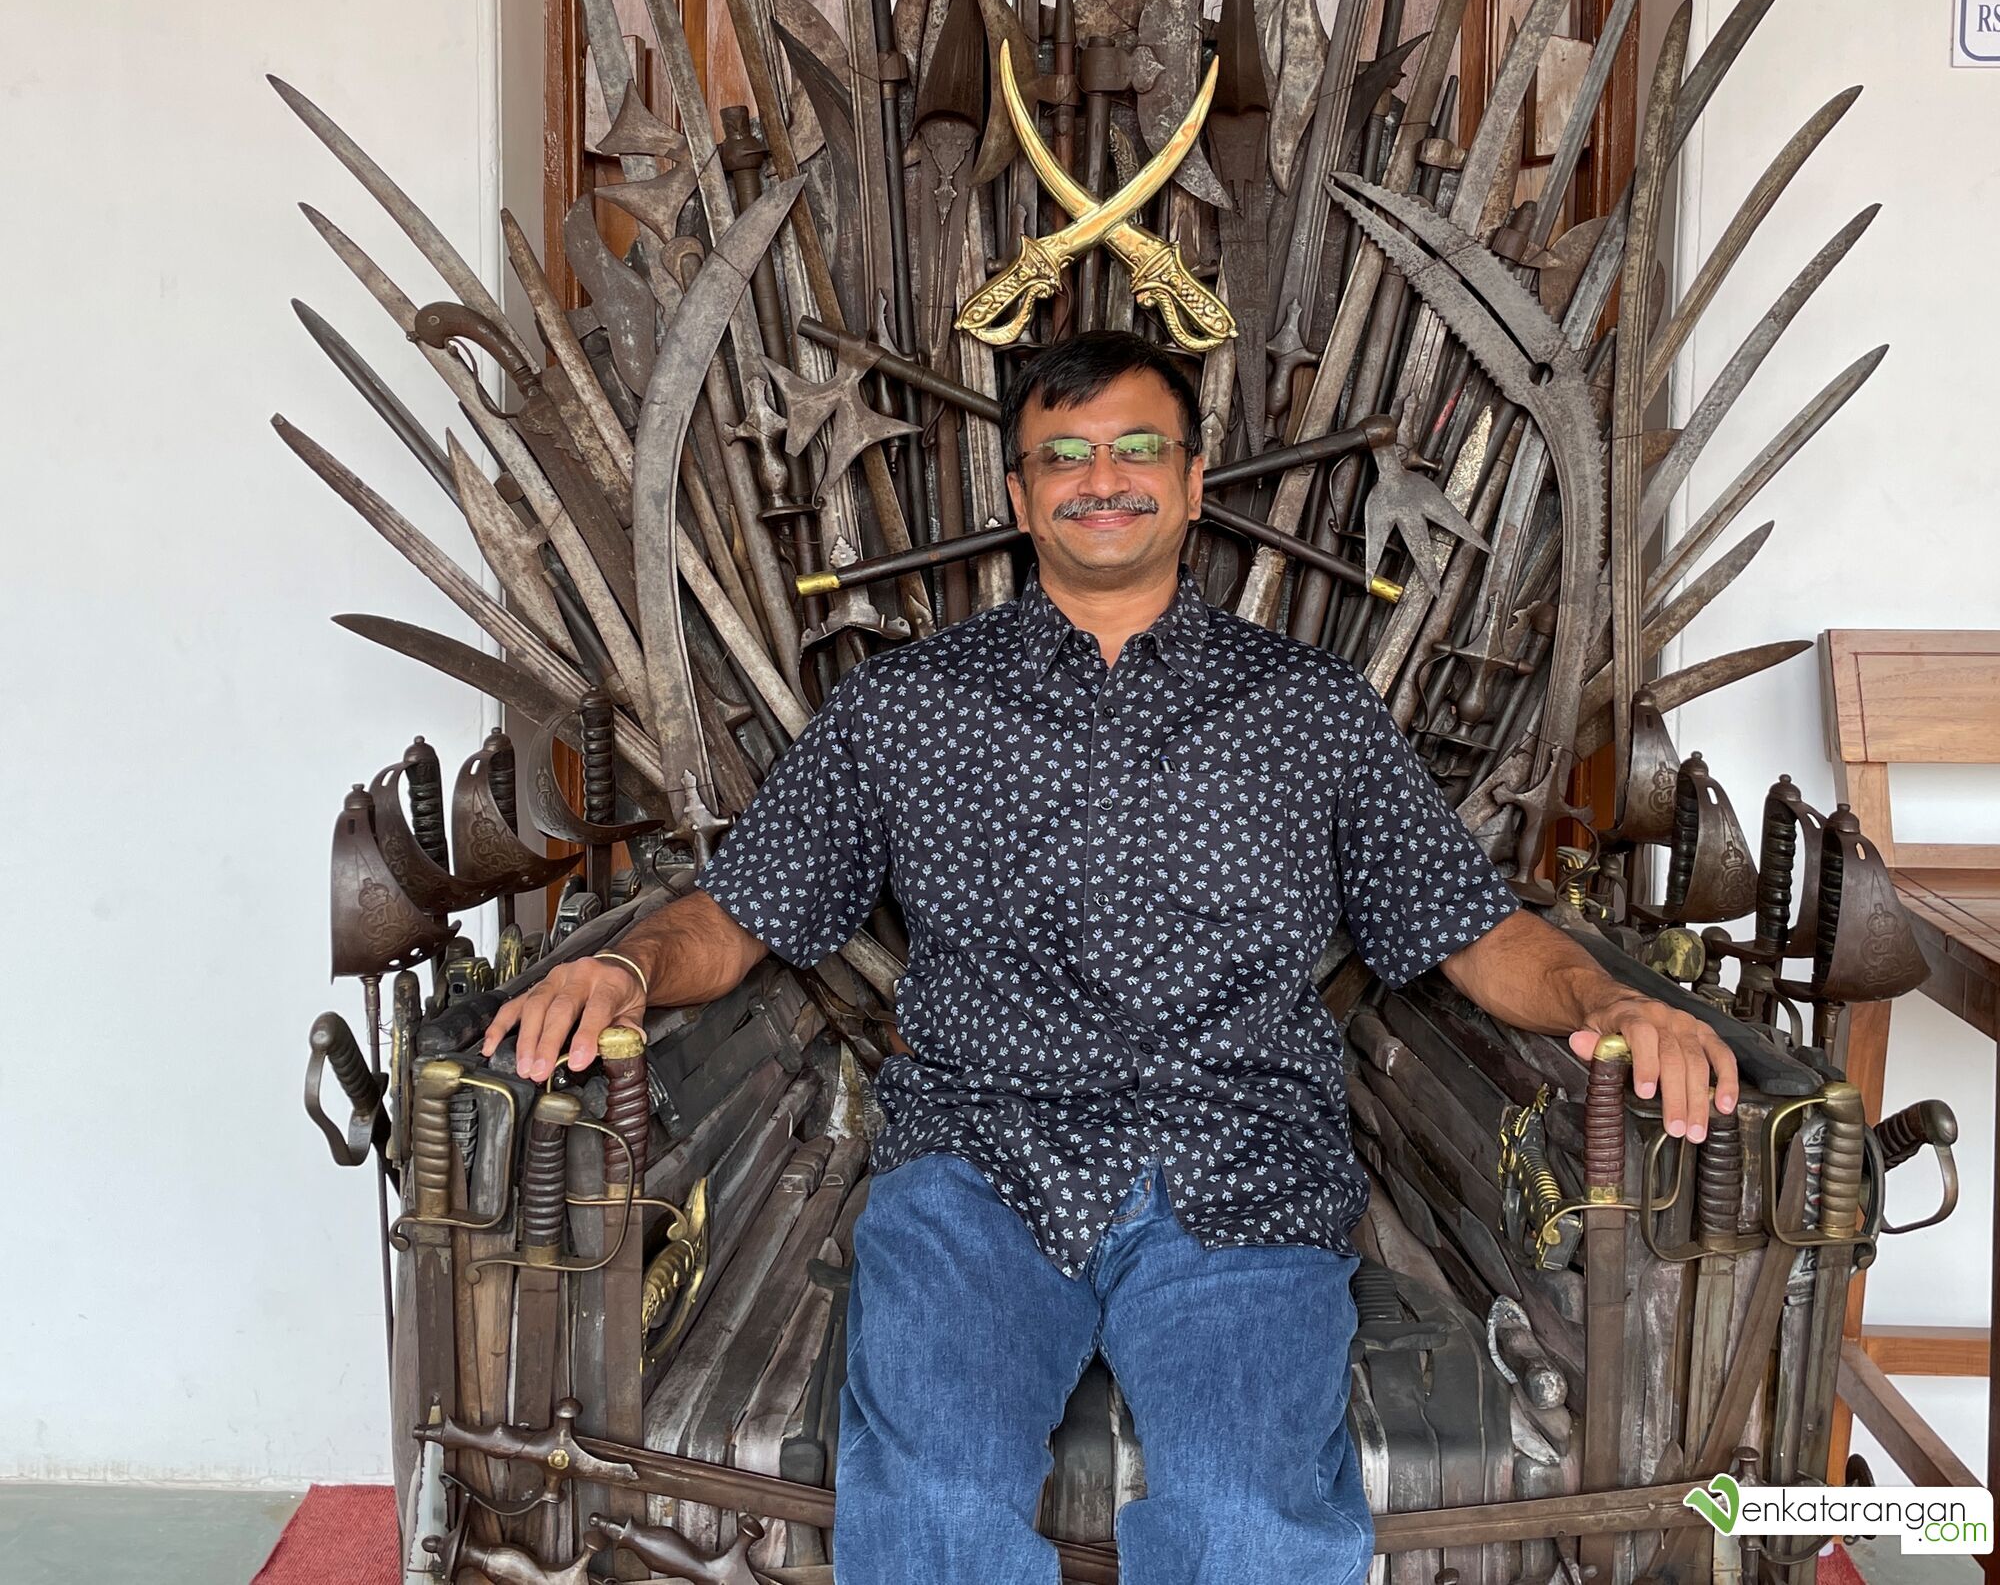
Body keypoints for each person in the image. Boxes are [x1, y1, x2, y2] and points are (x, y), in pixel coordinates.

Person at [484, 330, 1737, 1585]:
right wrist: (631, 968)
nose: (1103, 478)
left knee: (1249, 1524)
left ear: (1193, 482)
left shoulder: (1306, 710)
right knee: (926, 1503)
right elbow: (744, 908)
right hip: (978, 1154)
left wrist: (1611, 996)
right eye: (1063, 455)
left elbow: (1471, 930)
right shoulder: (907, 703)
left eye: (1138, 448)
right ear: (1019, 495)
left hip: (1239, 1161)